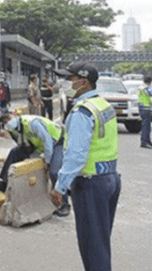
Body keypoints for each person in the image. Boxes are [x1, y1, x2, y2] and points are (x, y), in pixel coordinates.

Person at [50, 62, 121, 271]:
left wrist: (60, 187)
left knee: (93, 248)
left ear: (83, 82)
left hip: (90, 183)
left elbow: (75, 156)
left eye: (70, 79)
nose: (66, 83)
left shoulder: (83, 111)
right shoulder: (103, 105)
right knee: (100, 243)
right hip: (110, 178)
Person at [0, 114, 71, 216]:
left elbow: (48, 142)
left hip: (57, 142)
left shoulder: (33, 124)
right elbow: (26, 145)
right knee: (15, 152)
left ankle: (65, 204)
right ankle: (4, 183)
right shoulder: (18, 128)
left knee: (54, 172)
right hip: (41, 146)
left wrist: (47, 161)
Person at [137, 76, 152, 148]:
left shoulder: (141, 87)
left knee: (147, 126)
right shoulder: (146, 88)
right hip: (145, 108)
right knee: (146, 126)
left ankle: (147, 141)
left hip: (143, 107)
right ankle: (144, 142)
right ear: (149, 81)